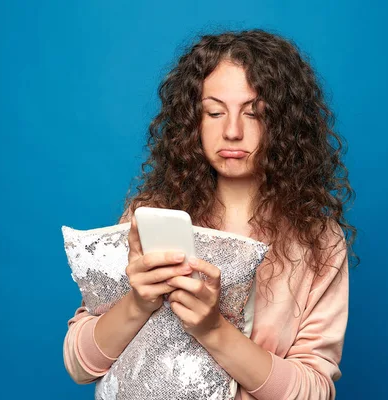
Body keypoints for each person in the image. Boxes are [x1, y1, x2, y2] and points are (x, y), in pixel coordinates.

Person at [63, 29, 357, 400]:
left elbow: (314, 392)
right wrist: (138, 303)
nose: (232, 131)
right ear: (193, 121)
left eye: (255, 113)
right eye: (214, 112)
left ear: (285, 125)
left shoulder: (318, 241)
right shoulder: (150, 215)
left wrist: (213, 328)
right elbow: (79, 365)